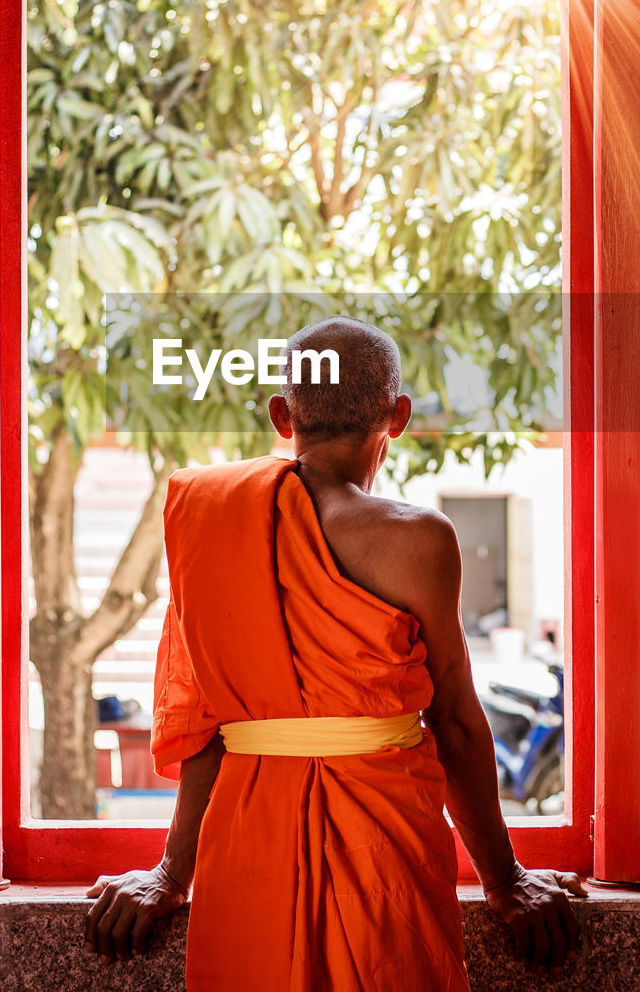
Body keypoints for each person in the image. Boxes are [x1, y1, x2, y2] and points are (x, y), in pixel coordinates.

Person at [84, 317, 586, 987]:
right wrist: (504, 879)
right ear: (398, 415)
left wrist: (173, 874)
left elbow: (200, 718)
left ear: (282, 415)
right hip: (385, 847)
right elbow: (459, 724)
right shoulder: (420, 541)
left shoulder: (212, 517)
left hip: (246, 846)